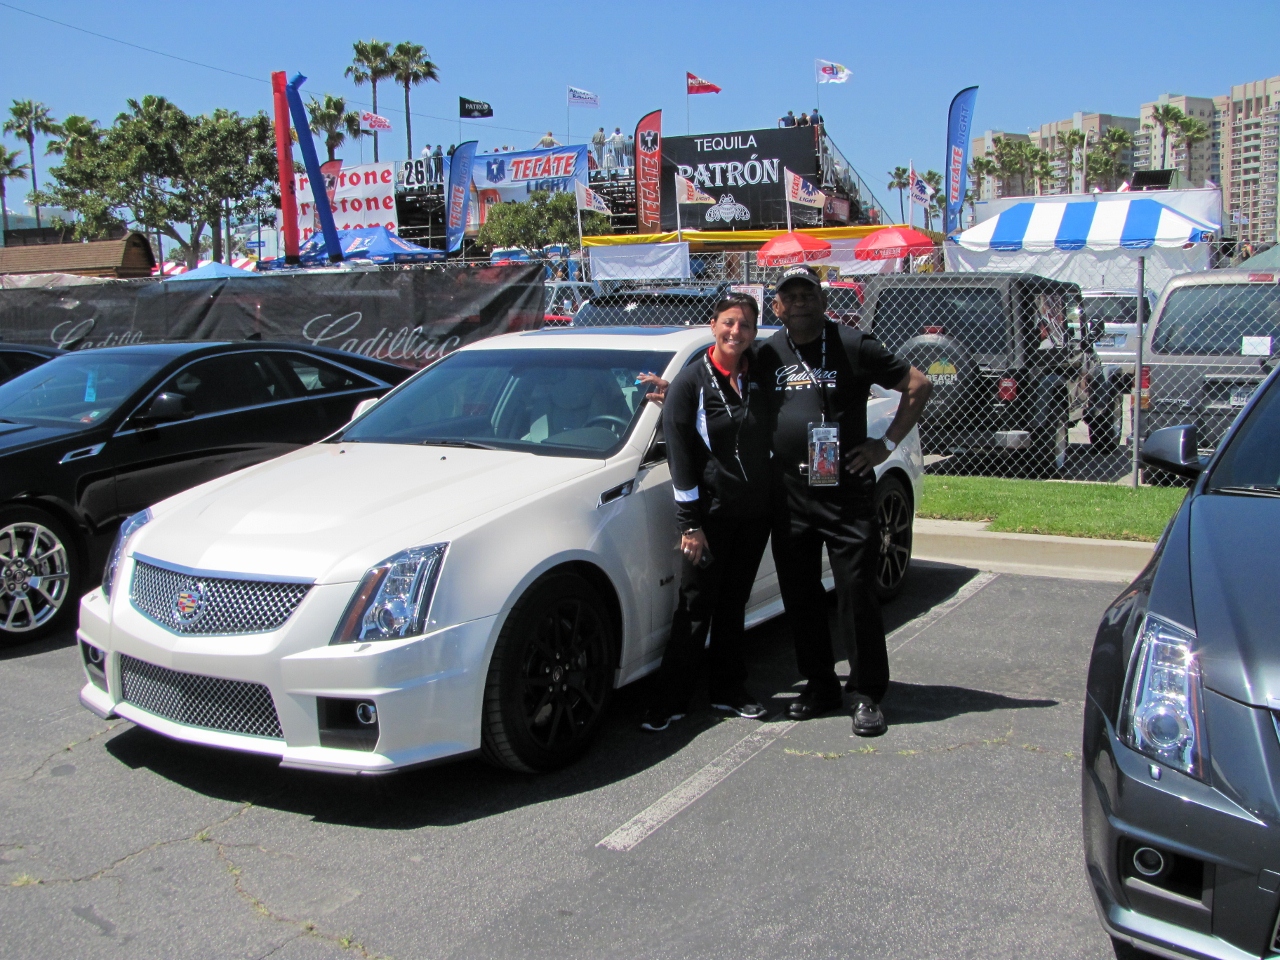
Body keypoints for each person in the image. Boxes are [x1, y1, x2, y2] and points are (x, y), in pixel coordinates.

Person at [757, 265, 931, 737]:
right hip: (791, 494)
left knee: (856, 593)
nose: (799, 302)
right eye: (789, 296)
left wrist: (886, 444)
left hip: (846, 493)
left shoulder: (854, 344)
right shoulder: (768, 352)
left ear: (821, 298)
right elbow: (723, 380)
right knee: (800, 596)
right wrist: (676, 393)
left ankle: (867, 694)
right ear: (777, 306)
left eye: (807, 294)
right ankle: (819, 686)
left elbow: (919, 384)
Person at [641, 293, 774, 732]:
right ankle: (669, 699)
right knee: (696, 606)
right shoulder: (690, 383)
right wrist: (691, 524)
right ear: (713, 324)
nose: (737, 332)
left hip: (754, 514)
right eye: (729, 323)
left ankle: (729, 691)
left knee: (734, 603)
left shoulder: (762, 375)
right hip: (709, 519)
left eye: (746, 326)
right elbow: (680, 461)